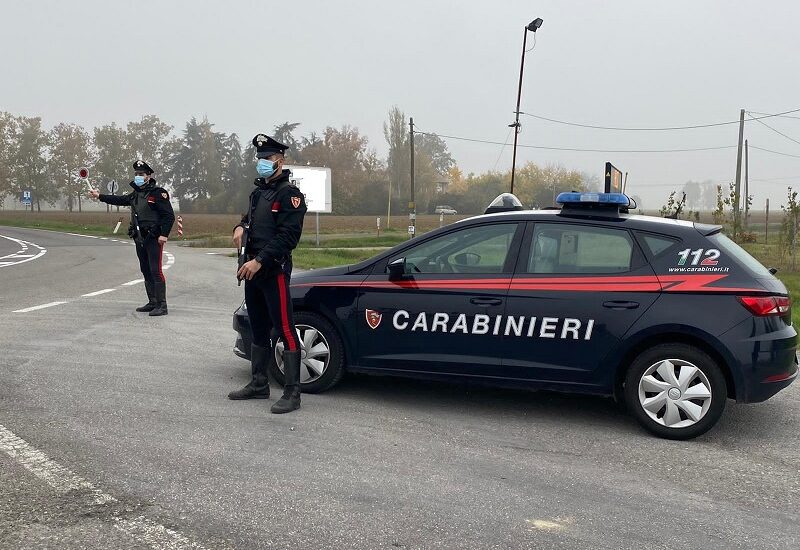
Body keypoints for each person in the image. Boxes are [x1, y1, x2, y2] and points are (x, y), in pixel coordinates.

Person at [228, 134, 307, 414]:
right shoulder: (258, 192)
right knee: (258, 327)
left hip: (273, 270)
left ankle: (292, 393)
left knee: (285, 329)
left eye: (267, 158)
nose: (262, 162)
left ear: (280, 161)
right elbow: (248, 220)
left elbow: (288, 237)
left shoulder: (290, 195)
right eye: (259, 158)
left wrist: (260, 261)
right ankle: (259, 383)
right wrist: (239, 227)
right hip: (252, 270)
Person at [87, 160, 175, 316]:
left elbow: (169, 216)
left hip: (154, 237)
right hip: (139, 238)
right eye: (136, 174)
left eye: (141, 174)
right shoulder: (136, 194)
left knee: (155, 271)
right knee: (145, 269)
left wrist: (164, 235)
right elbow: (119, 200)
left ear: (148, 176)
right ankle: (152, 302)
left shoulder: (158, 193)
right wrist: (99, 196)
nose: (138, 176)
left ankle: (162, 305)